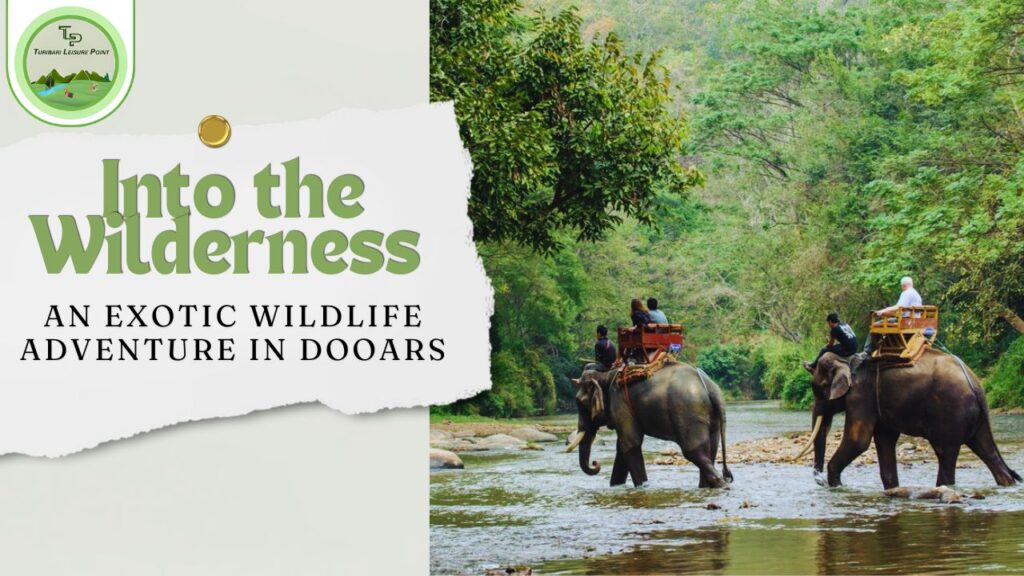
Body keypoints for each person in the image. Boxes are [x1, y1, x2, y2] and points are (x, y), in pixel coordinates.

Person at [864, 276, 924, 356]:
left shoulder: (906, 293)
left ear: (903, 285)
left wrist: (883, 311)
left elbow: (898, 307)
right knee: (888, 321)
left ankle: (868, 350)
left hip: (906, 322)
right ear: (911, 284)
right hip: (915, 322)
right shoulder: (916, 294)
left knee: (876, 325)